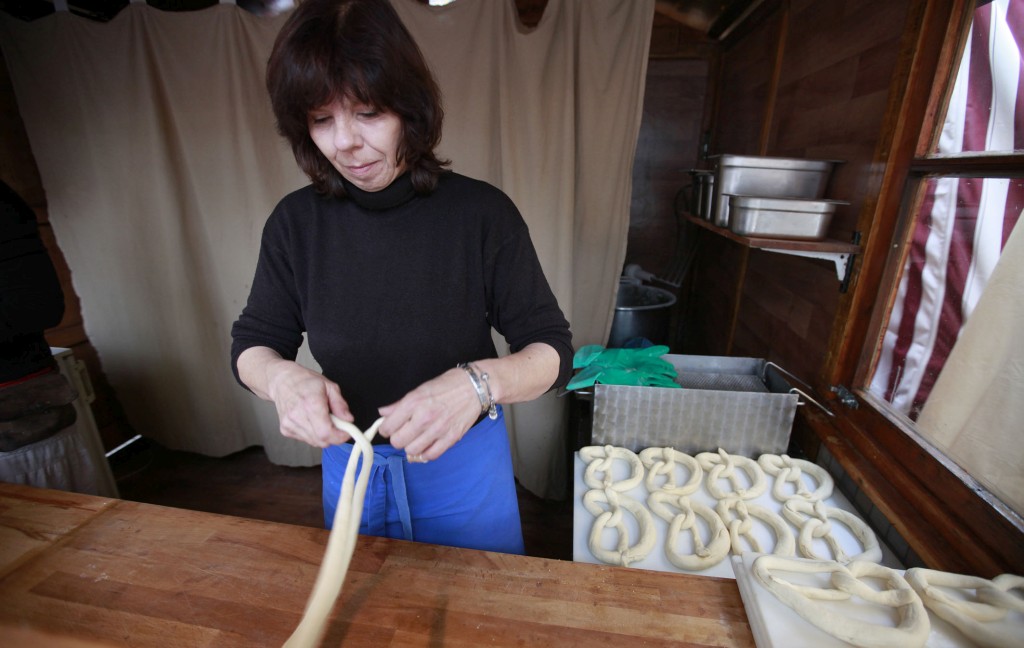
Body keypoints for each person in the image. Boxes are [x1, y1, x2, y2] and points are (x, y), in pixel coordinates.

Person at [230, 0, 573, 555]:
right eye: (321, 119)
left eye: (367, 113)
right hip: (352, 471)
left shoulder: (481, 214)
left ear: (409, 110)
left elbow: (552, 351)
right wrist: (281, 380)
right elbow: (253, 343)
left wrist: (477, 383)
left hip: (464, 470)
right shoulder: (295, 224)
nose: (344, 141)